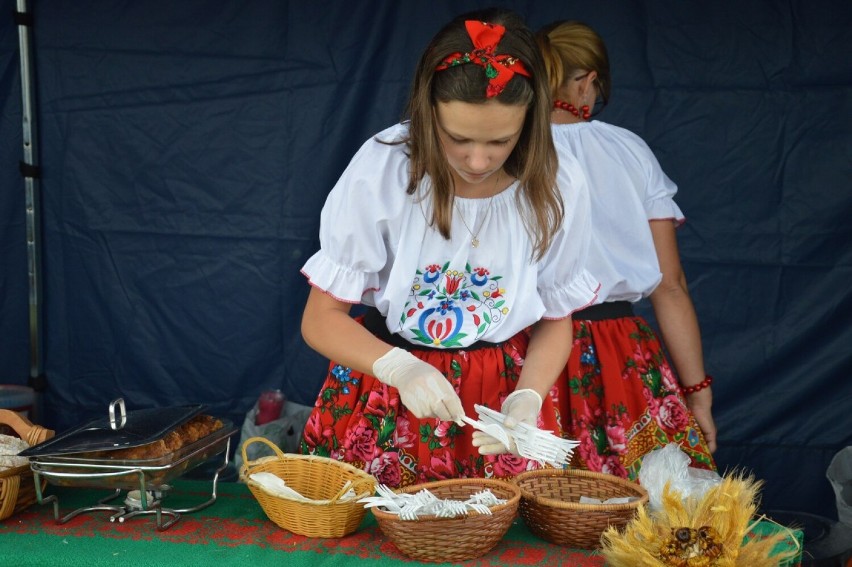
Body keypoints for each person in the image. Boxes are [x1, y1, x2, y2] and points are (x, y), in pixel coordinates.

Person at [298, 9, 599, 488]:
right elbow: (320, 319)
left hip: (500, 401)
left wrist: (528, 398)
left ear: (531, 121)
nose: (477, 160)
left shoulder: (558, 183)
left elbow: (555, 321)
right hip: (387, 388)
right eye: (457, 138)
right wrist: (400, 368)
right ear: (427, 110)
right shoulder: (385, 168)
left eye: (500, 140)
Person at [529, 20, 718, 480]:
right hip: (617, 357)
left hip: (521, 350)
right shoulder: (629, 151)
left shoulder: (504, 152)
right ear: (589, 81)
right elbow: (670, 286)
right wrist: (697, 392)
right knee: (639, 510)